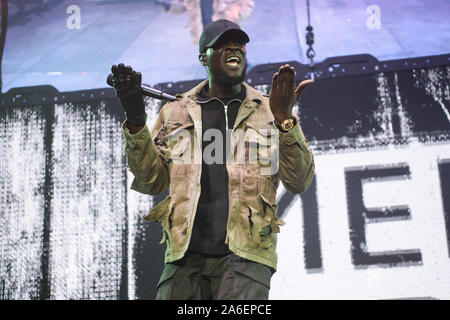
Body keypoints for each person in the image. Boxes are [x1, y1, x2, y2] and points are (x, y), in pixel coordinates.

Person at [107, 19, 315, 300]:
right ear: (202, 56)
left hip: (247, 258)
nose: (234, 48)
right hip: (183, 259)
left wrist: (285, 121)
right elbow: (151, 181)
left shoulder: (270, 111)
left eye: (239, 44)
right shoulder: (176, 112)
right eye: (221, 44)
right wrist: (135, 120)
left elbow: (299, 181)